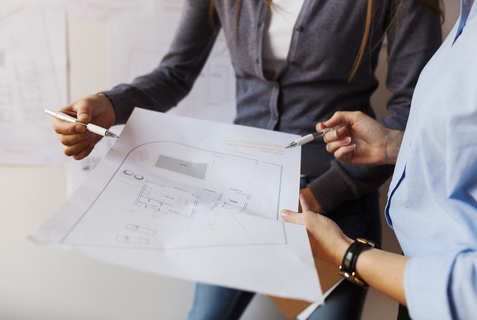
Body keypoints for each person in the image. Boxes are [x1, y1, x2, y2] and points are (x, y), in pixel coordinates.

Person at [51, 0, 442, 319]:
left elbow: (410, 115)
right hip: (238, 198)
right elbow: (176, 72)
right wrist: (110, 104)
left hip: (336, 207)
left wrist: (318, 196)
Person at [281, 0, 477, 318]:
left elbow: (472, 289)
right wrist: (394, 145)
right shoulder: (468, 22)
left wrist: (345, 253)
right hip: (418, 275)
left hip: (440, 290)